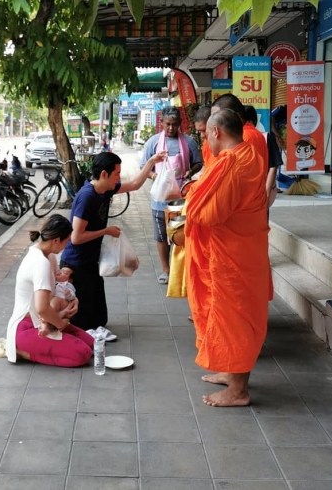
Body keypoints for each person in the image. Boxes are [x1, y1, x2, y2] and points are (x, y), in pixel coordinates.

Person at [184, 110, 271, 407]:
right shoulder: (248, 155)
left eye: (206, 133)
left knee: (236, 318)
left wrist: (193, 194)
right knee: (226, 315)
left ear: (216, 132)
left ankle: (238, 391)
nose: (206, 139)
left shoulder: (234, 164)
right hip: (238, 250)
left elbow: (208, 213)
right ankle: (231, 373)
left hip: (235, 256)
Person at [60, 150, 167, 332]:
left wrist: (151, 162)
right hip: (77, 263)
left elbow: (134, 184)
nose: (118, 178)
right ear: (104, 174)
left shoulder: (105, 190)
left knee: (100, 318)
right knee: (82, 322)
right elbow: (76, 237)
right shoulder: (87, 197)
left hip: (91, 261)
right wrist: (106, 231)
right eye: (116, 173)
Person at [6, 215, 94, 367]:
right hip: (28, 328)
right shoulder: (40, 263)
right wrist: (60, 324)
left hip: (45, 321)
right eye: (66, 241)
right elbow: (42, 308)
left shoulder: (48, 255)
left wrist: (74, 300)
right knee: (82, 354)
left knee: (92, 344)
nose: (66, 245)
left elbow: (60, 286)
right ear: (55, 240)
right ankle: (23, 352)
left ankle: (42, 342)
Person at [141, 106, 202, 284]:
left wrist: (190, 172)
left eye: (174, 125)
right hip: (160, 199)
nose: (171, 128)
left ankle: (181, 268)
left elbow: (198, 162)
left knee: (181, 233)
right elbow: (144, 167)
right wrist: (156, 177)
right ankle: (166, 270)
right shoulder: (153, 143)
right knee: (161, 235)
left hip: (182, 198)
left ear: (180, 124)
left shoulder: (189, 142)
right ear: (162, 123)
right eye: (167, 124)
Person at [243, 105, 282, 205]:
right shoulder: (266, 137)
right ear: (255, 120)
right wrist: (267, 192)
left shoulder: (235, 138)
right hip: (261, 191)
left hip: (245, 192)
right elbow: (273, 166)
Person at [38, 267, 76, 337]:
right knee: (65, 319)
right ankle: (46, 327)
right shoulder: (55, 282)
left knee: (55, 300)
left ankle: (46, 319)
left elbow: (73, 297)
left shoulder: (67, 285)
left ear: (70, 280)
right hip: (60, 307)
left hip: (63, 302)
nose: (60, 272)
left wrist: (69, 294)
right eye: (60, 270)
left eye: (65, 273)